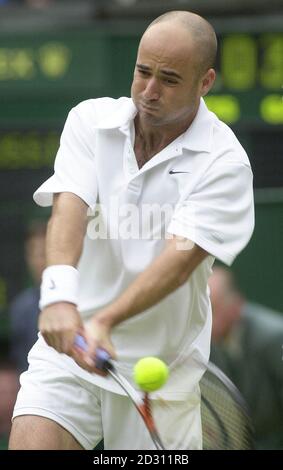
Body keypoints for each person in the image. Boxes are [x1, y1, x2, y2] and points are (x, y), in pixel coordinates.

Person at [9, 10, 254, 450]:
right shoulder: (90, 121)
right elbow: (69, 210)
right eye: (143, 72)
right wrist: (60, 297)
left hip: (160, 376)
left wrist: (106, 320)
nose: (149, 92)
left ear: (206, 82)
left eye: (170, 79)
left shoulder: (225, 163)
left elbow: (179, 263)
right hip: (70, 354)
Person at [209, 266, 283, 450]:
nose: (206, 319)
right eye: (203, 309)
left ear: (236, 306)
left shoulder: (275, 338)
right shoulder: (204, 341)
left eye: (213, 309)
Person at [9, 221, 47, 373]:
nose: (38, 261)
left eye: (44, 253)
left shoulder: (84, 302)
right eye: (33, 254)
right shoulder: (21, 308)